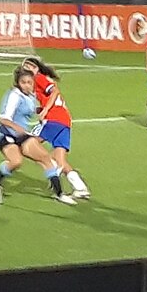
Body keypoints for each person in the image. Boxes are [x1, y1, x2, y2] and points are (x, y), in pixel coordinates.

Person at [0, 66, 76, 206]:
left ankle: (59, 193)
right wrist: (18, 129)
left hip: (22, 135)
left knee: (45, 158)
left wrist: (41, 111)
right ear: (18, 83)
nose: (27, 85)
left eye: (29, 82)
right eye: (23, 82)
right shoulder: (14, 95)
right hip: (6, 134)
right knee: (16, 162)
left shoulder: (32, 96)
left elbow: (29, 110)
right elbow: (3, 119)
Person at [21, 57, 91, 199]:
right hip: (64, 120)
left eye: (30, 66)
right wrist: (39, 109)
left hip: (53, 120)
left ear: (36, 69)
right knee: (61, 159)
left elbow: (55, 92)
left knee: (26, 144)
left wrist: (45, 110)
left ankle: (53, 168)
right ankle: (80, 187)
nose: (28, 69)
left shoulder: (39, 78)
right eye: (25, 66)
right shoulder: (40, 79)